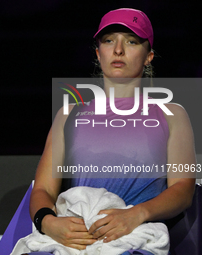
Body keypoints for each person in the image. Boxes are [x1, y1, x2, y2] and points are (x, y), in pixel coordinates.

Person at [29, 8, 196, 252]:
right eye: (109, 41)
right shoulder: (69, 114)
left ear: (149, 56)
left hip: (134, 239)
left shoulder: (172, 114)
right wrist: (49, 222)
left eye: (131, 41)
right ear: (98, 53)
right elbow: (43, 188)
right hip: (72, 239)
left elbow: (183, 189)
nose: (118, 50)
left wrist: (137, 214)